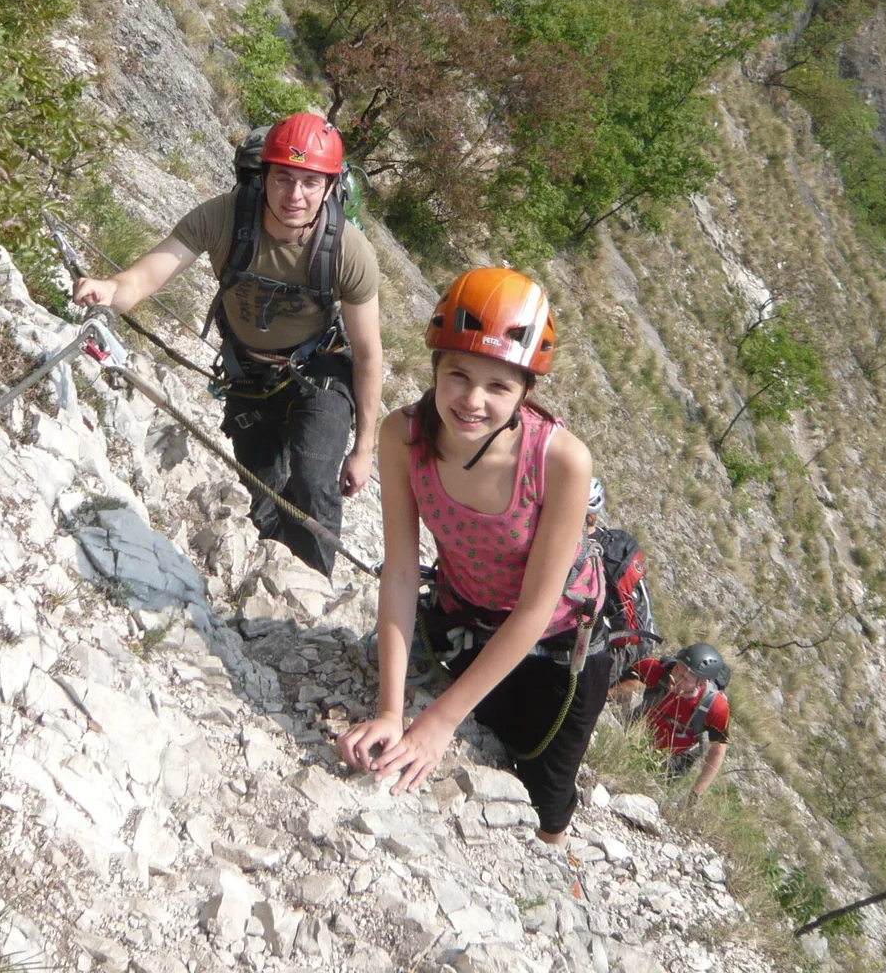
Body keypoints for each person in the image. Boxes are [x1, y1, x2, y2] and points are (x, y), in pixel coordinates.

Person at [338, 268, 606, 845]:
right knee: (486, 725)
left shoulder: (561, 461)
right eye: (458, 374)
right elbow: (403, 571)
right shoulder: (402, 436)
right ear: (435, 367)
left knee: (545, 793)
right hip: (468, 611)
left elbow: (537, 609)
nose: (473, 400)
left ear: (526, 393)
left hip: (559, 641)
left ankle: (554, 862)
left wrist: (435, 724)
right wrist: (390, 710)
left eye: (499, 386)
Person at [72, 113, 381, 576]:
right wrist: (110, 291)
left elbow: (369, 353)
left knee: (315, 480)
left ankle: (314, 589)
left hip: (318, 371)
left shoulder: (348, 251)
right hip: (248, 375)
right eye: (283, 179)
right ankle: (279, 575)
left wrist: (364, 447)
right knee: (263, 491)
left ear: (330, 187)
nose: (294, 195)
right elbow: (150, 273)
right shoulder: (225, 217)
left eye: (309, 183)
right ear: (265, 176)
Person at [614, 642, 731, 800]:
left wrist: (695, 794)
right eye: (677, 668)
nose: (675, 678)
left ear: (701, 683)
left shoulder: (716, 707)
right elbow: (620, 684)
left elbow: (717, 751)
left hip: (671, 764)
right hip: (633, 738)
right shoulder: (656, 669)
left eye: (685, 678)